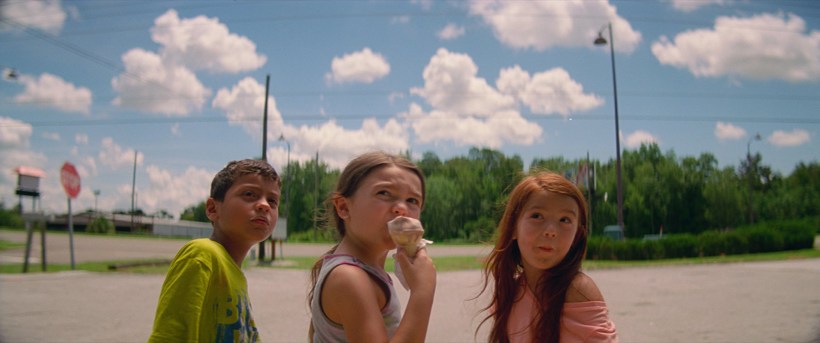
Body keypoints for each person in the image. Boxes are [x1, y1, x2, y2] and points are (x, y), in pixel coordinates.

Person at [308, 151, 437, 342]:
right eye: (384, 193)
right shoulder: (349, 278)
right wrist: (423, 292)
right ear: (343, 207)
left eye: (412, 200)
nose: (401, 208)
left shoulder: (361, 271)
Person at [149, 159, 281, 342]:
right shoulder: (202, 255)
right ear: (212, 209)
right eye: (250, 194)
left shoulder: (235, 275)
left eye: (272, 200)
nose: (264, 205)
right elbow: (172, 336)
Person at [476, 171, 617, 343]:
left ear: (577, 235)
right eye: (537, 216)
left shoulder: (576, 289)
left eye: (564, 220)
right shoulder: (509, 292)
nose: (551, 231)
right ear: (513, 227)